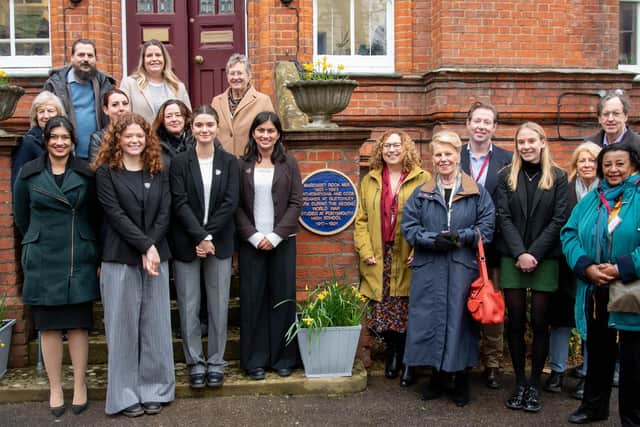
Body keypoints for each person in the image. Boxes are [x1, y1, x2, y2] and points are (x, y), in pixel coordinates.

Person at [401, 130, 495, 407]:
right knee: (430, 320)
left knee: (461, 323)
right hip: (430, 266)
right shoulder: (422, 192)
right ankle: (437, 378)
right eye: (438, 155)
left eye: (448, 154)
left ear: (458, 156)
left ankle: (461, 380)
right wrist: (433, 240)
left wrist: (462, 237)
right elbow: (409, 227)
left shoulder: (477, 192)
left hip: (462, 267)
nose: (443, 159)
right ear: (433, 158)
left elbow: (487, 228)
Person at [13, 116, 99, 417]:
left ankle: (79, 385)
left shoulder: (87, 173)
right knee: (48, 327)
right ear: (46, 141)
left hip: (78, 254)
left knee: (77, 324)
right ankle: (54, 387)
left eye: (65, 137)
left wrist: (92, 250)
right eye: (54, 137)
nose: (60, 142)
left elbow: (96, 216)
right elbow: (21, 215)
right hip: (43, 257)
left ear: (73, 140)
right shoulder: (29, 173)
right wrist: (37, 241)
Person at [93, 113, 174, 417]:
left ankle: (156, 389)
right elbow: (115, 215)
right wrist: (145, 245)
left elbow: (165, 212)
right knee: (122, 330)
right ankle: (125, 395)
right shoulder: (105, 172)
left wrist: (151, 246)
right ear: (117, 138)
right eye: (128, 136)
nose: (135, 140)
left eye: (140, 135)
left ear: (147, 138)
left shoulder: (158, 168)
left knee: (156, 327)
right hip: (119, 258)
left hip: (155, 257)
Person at [561, 142, 640, 426]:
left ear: (633, 165)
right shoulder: (592, 200)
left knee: (633, 360)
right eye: (607, 164)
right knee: (598, 352)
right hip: (595, 288)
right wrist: (586, 266)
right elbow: (568, 234)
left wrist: (622, 268)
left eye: (619, 163)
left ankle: (633, 416)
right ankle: (594, 407)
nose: (613, 169)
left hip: (631, 290)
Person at [496, 122, 568, 413]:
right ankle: (520, 383)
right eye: (520, 142)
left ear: (542, 142)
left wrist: (534, 253)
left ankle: (535, 384)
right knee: (515, 322)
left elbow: (560, 217)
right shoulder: (505, 176)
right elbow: (503, 216)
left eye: (530, 141)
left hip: (545, 257)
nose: (525, 146)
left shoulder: (559, 177)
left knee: (540, 322)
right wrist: (520, 252)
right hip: (512, 256)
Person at [169, 106, 239, 389]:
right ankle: (195, 361)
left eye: (209, 124)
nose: (204, 129)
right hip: (187, 242)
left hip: (218, 243)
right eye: (199, 125)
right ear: (191, 127)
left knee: (219, 305)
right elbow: (179, 202)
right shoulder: (180, 161)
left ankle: (216, 361)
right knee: (188, 304)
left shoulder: (230, 162)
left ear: (217, 126)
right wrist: (199, 237)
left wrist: (208, 238)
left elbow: (230, 202)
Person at [354, 130, 430, 387]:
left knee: (409, 307)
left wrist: (420, 248)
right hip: (380, 254)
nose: (392, 150)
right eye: (387, 146)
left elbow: (431, 219)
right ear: (380, 150)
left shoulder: (423, 179)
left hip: (408, 253)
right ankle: (393, 353)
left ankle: (410, 359)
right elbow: (361, 220)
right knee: (384, 309)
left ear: (406, 148)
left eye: (397, 145)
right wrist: (366, 251)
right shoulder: (370, 180)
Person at [236, 111, 302, 380]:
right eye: (261, 130)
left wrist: (275, 236)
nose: (265, 135)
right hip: (251, 243)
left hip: (282, 242)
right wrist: (253, 235)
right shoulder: (241, 165)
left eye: (271, 131)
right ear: (253, 133)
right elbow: (236, 205)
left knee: (282, 299)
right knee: (253, 301)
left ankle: (284, 358)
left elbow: (296, 203)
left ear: (278, 135)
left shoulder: (289, 164)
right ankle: (255, 360)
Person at [459, 101, 512, 389]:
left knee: (491, 308)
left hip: (493, 249)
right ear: (467, 124)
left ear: (494, 127)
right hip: (459, 248)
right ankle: (464, 360)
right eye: (476, 121)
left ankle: (492, 364)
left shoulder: (507, 159)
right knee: (460, 306)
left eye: (486, 122)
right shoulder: (453, 157)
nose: (481, 126)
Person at [544, 142, 601, 398]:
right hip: (565, 264)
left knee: (592, 321)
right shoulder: (564, 190)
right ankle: (557, 370)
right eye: (582, 160)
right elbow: (557, 225)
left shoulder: (610, 193)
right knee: (560, 321)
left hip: (597, 269)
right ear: (575, 164)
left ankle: (588, 374)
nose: (587, 165)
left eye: (592, 160)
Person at [43, 38, 115, 160]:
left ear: (95, 59)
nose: (86, 59)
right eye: (81, 55)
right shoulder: (55, 84)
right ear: (72, 58)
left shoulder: (105, 83)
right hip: (66, 155)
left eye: (90, 55)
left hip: (99, 154)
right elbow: (43, 118)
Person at [211, 54, 274, 156]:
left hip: (251, 160)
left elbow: (271, 133)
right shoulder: (216, 101)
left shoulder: (263, 101)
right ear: (227, 76)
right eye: (232, 74)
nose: (236, 77)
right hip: (222, 162)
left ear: (249, 76)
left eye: (240, 73)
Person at [120, 39, 191, 125]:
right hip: (141, 137)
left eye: (158, 55)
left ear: (164, 59)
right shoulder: (129, 84)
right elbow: (123, 117)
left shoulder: (178, 87)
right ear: (143, 60)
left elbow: (188, 118)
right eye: (149, 56)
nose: (154, 59)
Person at [11, 91, 66, 188]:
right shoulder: (28, 143)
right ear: (36, 116)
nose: (46, 116)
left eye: (50, 111)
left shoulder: (67, 140)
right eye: (41, 111)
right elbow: (18, 180)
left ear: (59, 113)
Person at [88, 88, 130, 162]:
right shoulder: (98, 138)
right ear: (106, 110)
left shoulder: (140, 133)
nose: (121, 108)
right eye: (115, 105)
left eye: (125, 104)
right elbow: (96, 167)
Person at [151, 99, 193, 167]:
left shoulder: (196, 140)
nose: (174, 119)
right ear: (162, 120)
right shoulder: (154, 144)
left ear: (185, 118)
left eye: (178, 115)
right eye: (168, 116)